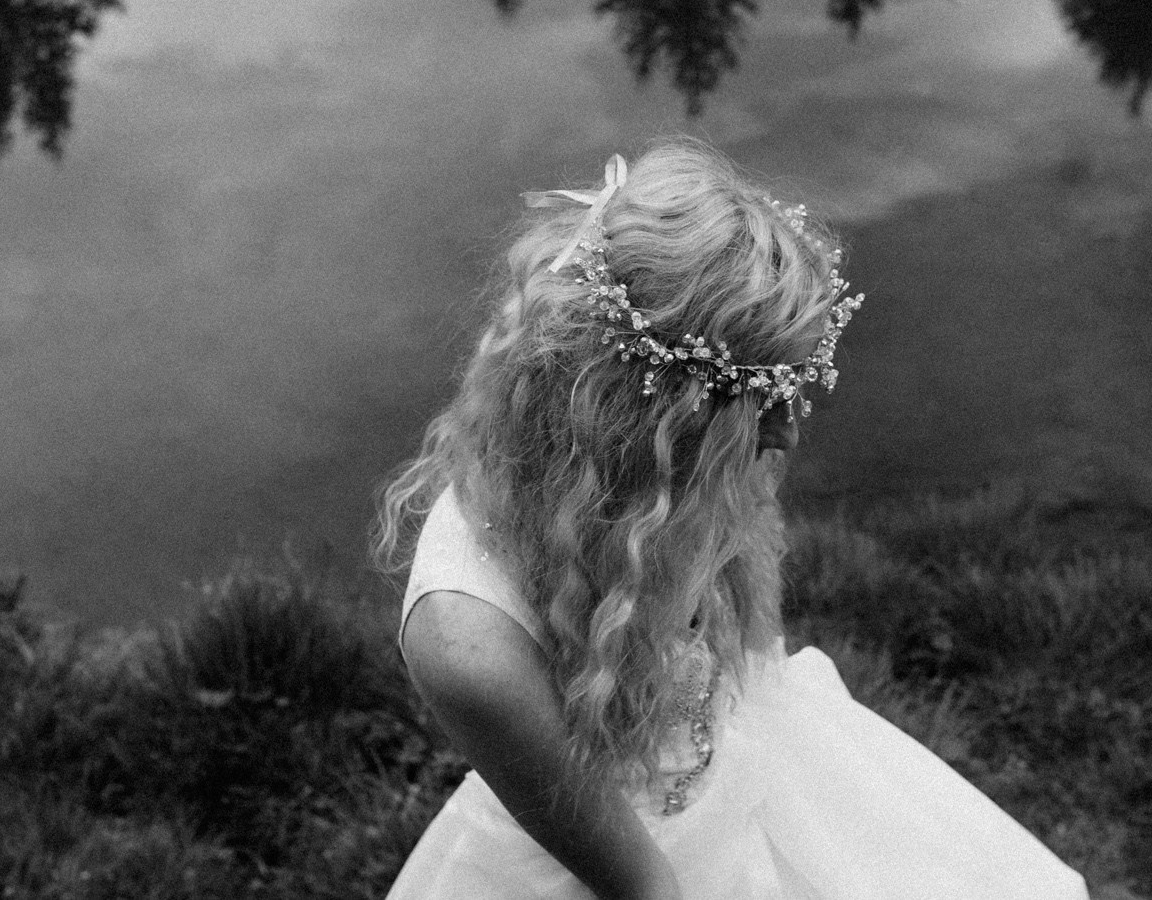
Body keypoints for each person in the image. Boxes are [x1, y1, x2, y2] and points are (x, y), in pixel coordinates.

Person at [376, 140, 1087, 900]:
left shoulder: (678, 459)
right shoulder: (465, 640)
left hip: (741, 757)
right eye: (750, 404)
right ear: (628, 405)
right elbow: (647, 884)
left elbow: (744, 646)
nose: (785, 435)